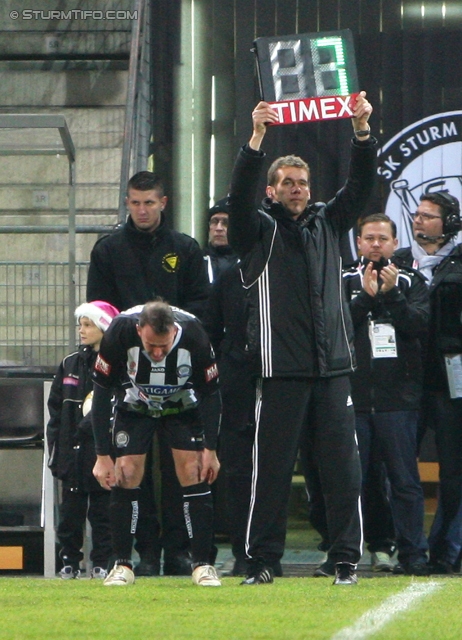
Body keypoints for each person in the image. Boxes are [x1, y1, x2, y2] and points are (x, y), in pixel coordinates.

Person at [227, 92, 376, 586]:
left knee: (342, 474)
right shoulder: (257, 232)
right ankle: (260, 561)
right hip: (280, 373)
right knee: (269, 474)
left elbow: (359, 186)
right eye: (287, 183)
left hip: (333, 369)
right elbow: (237, 200)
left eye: (303, 183)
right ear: (271, 191)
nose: (297, 189)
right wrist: (256, 140)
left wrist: (360, 132)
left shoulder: (329, 224)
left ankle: (345, 559)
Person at [87, 171, 210, 576]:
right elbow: (99, 309)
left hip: (177, 371)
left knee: (181, 471)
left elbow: (201, 306)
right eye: (135, 203)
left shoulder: (185, 249)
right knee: (128, 469)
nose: (142, 210)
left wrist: (173, 347)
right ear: (127, 204)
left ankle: (179, 553)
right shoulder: (108, 250)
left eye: (149, 203)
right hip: (127, 373)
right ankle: (137, 555)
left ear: (163, 203)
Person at [91, 300, 222, 587]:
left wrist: (210, 449)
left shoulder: (195, 334)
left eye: (164, 345)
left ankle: (202, 565)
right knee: (125, 471)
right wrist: (102, 455)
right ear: (139, 331)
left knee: (194, 470)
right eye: (151, 346)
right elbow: (100, 391)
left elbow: (211, 394)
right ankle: (122, 564)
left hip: (182, 405)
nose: (158, 352)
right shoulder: (119, 331)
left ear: (175, 331)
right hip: (134, 405)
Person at [342, 213, 430, 575]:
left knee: (405, 481)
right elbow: (337, 327)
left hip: (399, 401)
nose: (376, 244)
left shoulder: (412, 281)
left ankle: (413, 556)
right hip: (354, 399)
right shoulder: (344, 278)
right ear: (359, 243)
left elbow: (419, 326)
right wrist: (364, 297)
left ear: (395, 243)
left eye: (383, 238)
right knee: (349, 482)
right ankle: (344, 555)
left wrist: (392, 295)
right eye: (369, 238)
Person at [394, 191, 462, 574]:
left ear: (449, 223)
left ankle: (446, 549)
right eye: (416, 215)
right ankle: (407, 549)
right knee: (401, 470)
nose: (418, 221)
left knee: (454, 470)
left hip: (451, 381)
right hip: (404, 380)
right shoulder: (398, 262)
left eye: (428, 216)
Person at [47, 300, 120, 579]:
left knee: (103, 513)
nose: (82, 330)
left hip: (101, 453)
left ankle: (102, 561)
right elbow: (56, 413)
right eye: (81, 324)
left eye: (88, 324)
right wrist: (56, 450)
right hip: (70, 454)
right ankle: (69, 560)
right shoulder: (69, 364)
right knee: (70, 514)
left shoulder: (116, 365)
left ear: (103, 328)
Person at [203, 198, 239, 283]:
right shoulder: (197, 261)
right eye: (214, 222)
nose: (218, 228)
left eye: (226, 223)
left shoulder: (249, 264)